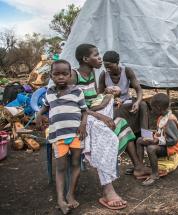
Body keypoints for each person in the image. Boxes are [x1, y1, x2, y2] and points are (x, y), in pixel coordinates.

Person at [71, 44, 149, 210]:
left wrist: (107, 94)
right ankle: (108, 189)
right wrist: (100, 113)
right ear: (85, 59)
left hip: (95, 112)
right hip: (82, 119)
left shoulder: (92, 73)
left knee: (122, 125)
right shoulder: (73, 75)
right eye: (97, 55)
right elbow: (74, 105)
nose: (100, 59)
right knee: (105, 137)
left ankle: (138, 166)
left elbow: (93, 99)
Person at [36, 60, 88, 214]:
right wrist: (39, 114)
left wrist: (83, 124)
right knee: (60, 167)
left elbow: (84, 111)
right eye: (57, 74)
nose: (61, 77)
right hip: (58, 135)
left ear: (70, 74)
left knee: (75, 164)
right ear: (51, 75)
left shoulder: (77, 91)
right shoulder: (50, 92)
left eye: (65, 73)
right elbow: (45, 107)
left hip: (76, 134)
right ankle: (60, 198)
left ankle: (70, 194)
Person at [136, 93, 178, 186]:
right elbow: (161, 131)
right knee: (139, 139)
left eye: (153, 108)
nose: (152, 110)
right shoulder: (162, 116)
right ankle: (140, 167)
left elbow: (173, 140)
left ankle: (155, 174)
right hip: (161, 140)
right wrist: (152, 132)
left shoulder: (169, 120)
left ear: (158, 108)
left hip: (171, 147)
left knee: (151, 148)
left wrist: (157, 141)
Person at [99, 51, 149, 135]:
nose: (108, 69)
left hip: (126, 101)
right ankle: (125, 135)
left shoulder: (127, 71)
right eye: (106, 66)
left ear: (117, 63)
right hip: (112, 104)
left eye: (110, 66)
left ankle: (146, 135)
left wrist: (137, 102)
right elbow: (99, 96)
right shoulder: (104, 75)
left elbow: (139, 90)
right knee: (116, 111)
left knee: (143, 105)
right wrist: (105, 92)